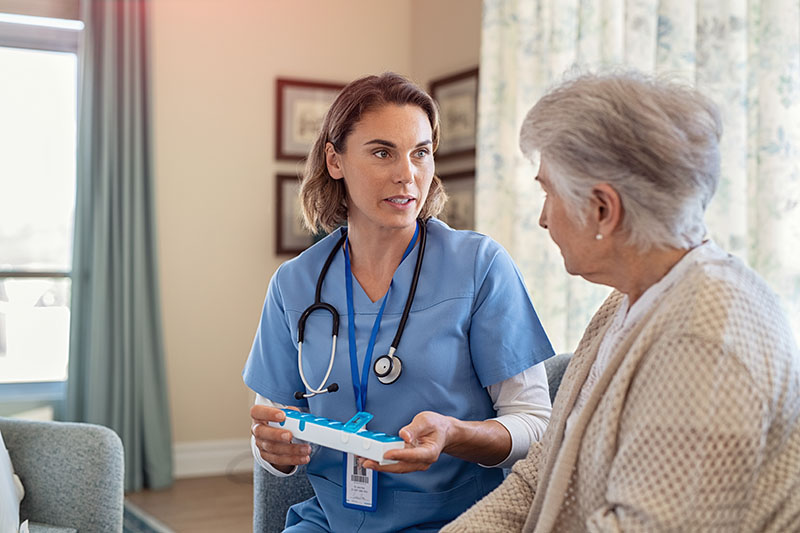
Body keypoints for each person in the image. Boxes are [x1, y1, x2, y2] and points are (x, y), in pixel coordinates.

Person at [443, 71, 800, 532]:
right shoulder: (626, 302)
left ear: (602, 209)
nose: (542, 218)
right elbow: (536, 479)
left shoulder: (706, 332)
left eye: (548, 191)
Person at [243, 72, 555, 532]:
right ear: (335, 160)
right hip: (332, 521)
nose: (407, 174)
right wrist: (275, 451)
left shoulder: (479, 266)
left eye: (421, 153)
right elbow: (274, 422)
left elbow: (534, 425)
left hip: (458, 522)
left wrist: (453, 434)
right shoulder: (294, 284)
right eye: (382, 152)